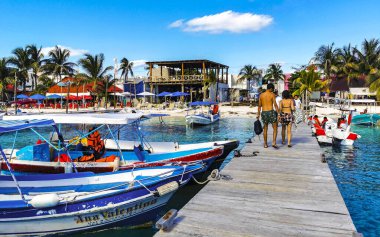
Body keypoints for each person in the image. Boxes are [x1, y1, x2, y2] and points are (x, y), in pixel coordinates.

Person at [257, 83, 279, 148]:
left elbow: (259, 106)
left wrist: (258, 114)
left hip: (264, 112)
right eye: (273, 89)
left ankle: (265, 144)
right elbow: (275, 105)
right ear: (271, 88)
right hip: (271, 112)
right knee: (275, 128)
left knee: (265, 129)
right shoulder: (272, 94)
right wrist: (279, 114)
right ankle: (274, 142)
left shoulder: (261, 95)